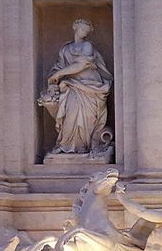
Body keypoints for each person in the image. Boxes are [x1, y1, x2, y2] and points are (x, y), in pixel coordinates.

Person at [40, 19, 112, 155]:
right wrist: (54, 78)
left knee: (88, 118)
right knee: (70, 114)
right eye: (82, 29)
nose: (84, 32)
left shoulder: (87, 46)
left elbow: (81, 65)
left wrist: (59, 74)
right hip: (72, 86)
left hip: (90, 87)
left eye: (86, 30)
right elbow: (59, 67)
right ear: (75, 27)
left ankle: (83, 146)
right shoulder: (65, 49)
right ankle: (67, 145)